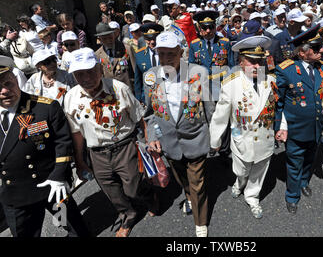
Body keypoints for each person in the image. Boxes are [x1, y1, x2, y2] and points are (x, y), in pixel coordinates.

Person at [63, 48, 155, 237]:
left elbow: (139, 118)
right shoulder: (71, 98)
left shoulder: (119, 88)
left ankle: (149, 195)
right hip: (97, 153)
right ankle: (128, 215)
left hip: (125, 147)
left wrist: (149, 142)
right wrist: (80, 162)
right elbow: (76, 133)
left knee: (133, 187)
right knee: (111, 191)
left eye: (90, 71)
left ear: (100, 69)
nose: (86, 77)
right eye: (80, 74)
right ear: (73, 75)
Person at [0, 56, 89, 237]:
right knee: (26, 233)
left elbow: (63, 142)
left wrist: (59, 175)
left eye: (8, 83)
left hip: (51, 185)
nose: (4, 91)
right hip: (15, 194)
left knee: (71, 227)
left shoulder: (44, 108)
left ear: (16, 81)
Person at [143, 32, 215, 237]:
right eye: (161, 54)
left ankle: (200, 222)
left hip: (196, 137)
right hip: (169, 142)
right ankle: (188, 195)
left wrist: (215, 137)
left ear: (181, 52)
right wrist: (152, 137)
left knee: (197, 182)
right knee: (181, 176)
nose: (165, 60)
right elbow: (149, 114)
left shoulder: (199, 72)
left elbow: (209, 108)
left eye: (170, 55)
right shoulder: (151, 76)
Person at [209, 36, 286, 219]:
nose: (257, 66)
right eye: (252, 61)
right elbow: (220, 116)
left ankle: (252, 196)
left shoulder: (270, 81)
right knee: (241, 169)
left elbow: (279, 108)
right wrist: (215, 140)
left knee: (259, 171)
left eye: (260, 62)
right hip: (241, 137)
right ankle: (240, 182)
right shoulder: (231, 84)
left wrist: (283, 127)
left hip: (265, 138)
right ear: (241, 62)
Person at [274, 25, 323, 214]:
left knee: (310, 158)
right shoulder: (285, 70)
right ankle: (292, 196)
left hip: (317, 126)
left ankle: (303, 182)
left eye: (321, 47)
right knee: (294, 163)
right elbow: (278, 103)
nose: (322, 51)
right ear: (302, 53)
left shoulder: (322, 68)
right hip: (296, 128)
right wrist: (280, 127)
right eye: (316, 48)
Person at [94, 23, 135, 90]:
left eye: (110, 37)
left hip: (127, 90)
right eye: (104, 39)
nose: (108, 41)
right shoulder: (97, 55)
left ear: (114, 35)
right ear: (100, 39)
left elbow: (136, 72)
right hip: (111, 93)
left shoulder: (127, 49)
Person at [134, 23, 164, 103]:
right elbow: (138, 80)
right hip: (147, 99)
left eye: (155, 38)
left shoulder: (166, 53)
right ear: (144, 38)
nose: (152, 42)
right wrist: (139, 100)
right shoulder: (139, 55)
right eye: (149, 39)